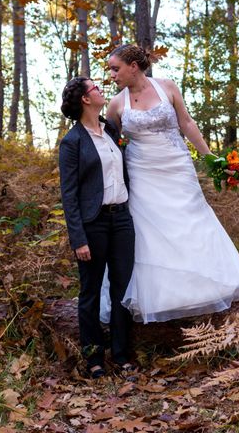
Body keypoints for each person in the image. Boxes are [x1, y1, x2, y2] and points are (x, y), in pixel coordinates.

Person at [102, 44, 239, 324]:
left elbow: (186, 123)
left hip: (177, 167)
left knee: (192, 222)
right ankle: (162, 299)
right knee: (151, 231)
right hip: (142, 173)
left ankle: (206, 289)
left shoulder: (167, 87)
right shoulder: (116, 104)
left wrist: (211, 158)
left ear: (133, 67)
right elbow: (112, 143)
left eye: (115, 69)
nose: (112, 75)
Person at [58, 76, 137, 379]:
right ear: (85, 100)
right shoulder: (72, 142)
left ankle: (121, 354)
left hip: (122, 221)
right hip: (94, 224)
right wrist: (78, 238)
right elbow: (69, 195)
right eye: (94, 88)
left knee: (122, 289)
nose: (100, 89)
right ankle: (93, 358)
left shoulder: (112, 131)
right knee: (90, 292)